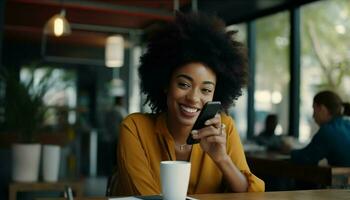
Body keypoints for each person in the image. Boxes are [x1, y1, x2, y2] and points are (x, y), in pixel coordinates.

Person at [110, 12, 264, 196]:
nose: (193, 98)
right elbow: (146, 196)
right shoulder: (135, 128)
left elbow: (250, 195)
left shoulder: (224, 128)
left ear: (216, 93)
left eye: (206, 90)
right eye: (183, 84)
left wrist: (222, 158)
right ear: (166, 84)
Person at [291, 90, 350, 166]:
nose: (313, 116)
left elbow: (304, 158)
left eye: (314, 110)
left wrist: (290, 150)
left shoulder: (328, 131)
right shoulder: (347, 125)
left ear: (322, 109)